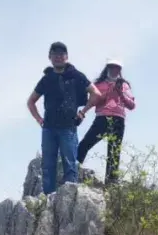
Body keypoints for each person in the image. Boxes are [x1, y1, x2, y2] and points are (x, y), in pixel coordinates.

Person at [26, 41, 101, 195]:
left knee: (70, 164)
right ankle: (48, 198)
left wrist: (83, 112)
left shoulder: (76, 76)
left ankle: (70, 197)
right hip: (49, 128)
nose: (58, 57)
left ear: (66, 57)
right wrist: (39, 120)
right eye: (55, 54)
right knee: (48, 165)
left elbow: (96, 94)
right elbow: (31, 101)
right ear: (50, 57)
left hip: (68, 127)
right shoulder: (47, 79)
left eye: (61, 54)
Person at [78, 58, 135, 185]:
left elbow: (132, 105)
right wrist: (108, 92)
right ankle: (73, 170)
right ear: (107, 68)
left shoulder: (124, 85)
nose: (114, 70)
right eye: (112, 67)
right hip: (102, 118)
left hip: (118, 119)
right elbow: (93, 101)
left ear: (120, 70)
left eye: (117, 68)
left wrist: (120, 93)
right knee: (84, 144)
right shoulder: (99, 84)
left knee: (114, 152)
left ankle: (111, 183)